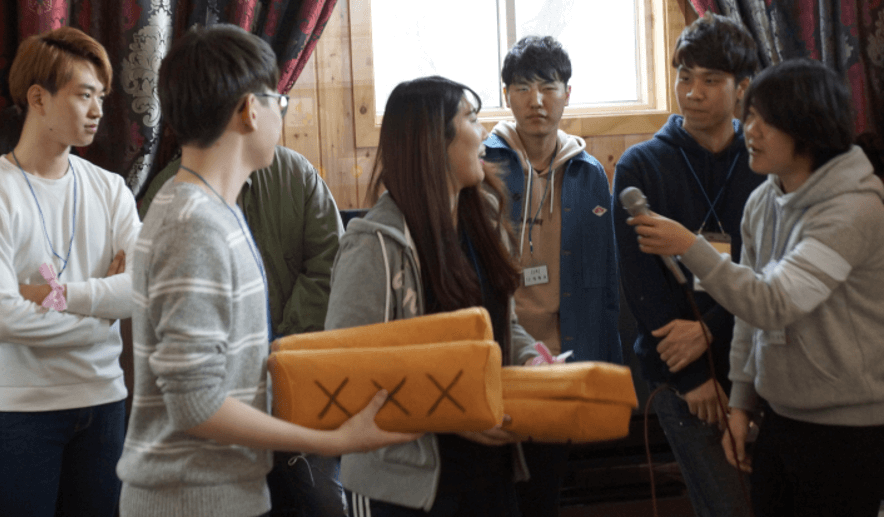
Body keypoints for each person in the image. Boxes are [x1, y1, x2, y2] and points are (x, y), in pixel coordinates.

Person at [116, 24, 417, 517]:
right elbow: (195, 405)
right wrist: (332, 439)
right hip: (189, 501)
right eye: (280, 100)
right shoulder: (193, 225)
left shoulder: (212, 209)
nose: (282, 113)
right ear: (249, 111)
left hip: (220, 494)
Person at [628, 58, 884, 517]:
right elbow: (749, 318)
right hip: (778, 416)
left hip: (848, 428)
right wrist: (742, 403)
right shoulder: (764, 199)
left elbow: (773, 302)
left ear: (809, 130)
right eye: (749, 117)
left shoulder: (855, 210)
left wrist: (689, 245)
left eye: (767, 122)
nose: (750, 130)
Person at [325, 75, 538, 516]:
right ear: (433, 141)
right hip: (404, 487)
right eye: (472, 118)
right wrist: (450, 415)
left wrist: (533, 362)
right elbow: (347, 373)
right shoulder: (373, 244)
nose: (485, 131)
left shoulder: (485, 218)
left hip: (490, 473)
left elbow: (504, 326)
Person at [0, 27, 141, 517]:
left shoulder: (111, 189)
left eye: (101, 96)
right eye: (84, 95)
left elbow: (143, 289)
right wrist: (103, 317)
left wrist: (48, 295)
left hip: (104, 399)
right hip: (21, 408)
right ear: (38, 98)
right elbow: (1, 319)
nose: (98, 110)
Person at [138, 148, 348, 517]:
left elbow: (330, 265)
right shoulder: (169, 192)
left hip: (297, 381)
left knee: (324, 503)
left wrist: (280, 351)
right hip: (219, 404)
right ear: (244, 117)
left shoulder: (295, 172)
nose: (278, 119)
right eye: (274, 112)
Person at [612, 13, 761, 517]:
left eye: (711, 80)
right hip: (681, 374)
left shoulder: (764, 159)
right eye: (684, 76)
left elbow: (773, 274)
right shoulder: (641, 164)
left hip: (759, 360)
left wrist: (710, 329)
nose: (693, 92)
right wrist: (695, 373)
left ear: (742, 88)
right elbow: (641, 284)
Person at [483, 34, 622, 517]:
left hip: (563, 359)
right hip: (500, 356)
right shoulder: (482, 168)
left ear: (567, 93)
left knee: (544, 494)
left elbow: (606, 283)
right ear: (506, 95)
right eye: (523, 87)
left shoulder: (589, 174)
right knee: (494, 494)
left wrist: (606, 368)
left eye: (548, 86)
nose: (536, 100)